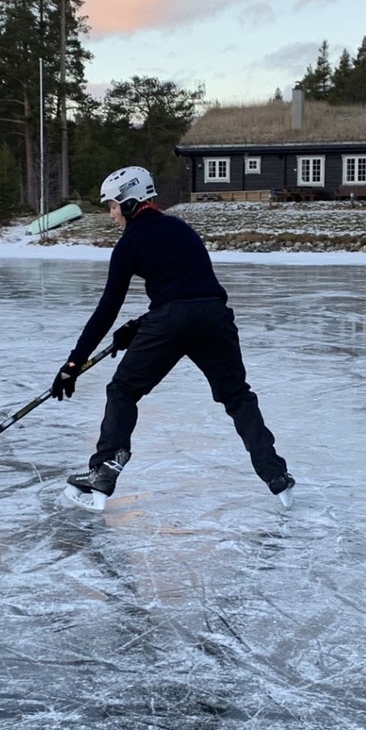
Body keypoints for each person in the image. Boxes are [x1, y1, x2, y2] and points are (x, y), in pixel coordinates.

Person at [50, 166, 293, 510]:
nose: (111, 215)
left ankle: (104, 469)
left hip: (171, 320)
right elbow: (190, 289)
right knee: (237, 396)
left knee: (122, 390)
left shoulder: (129, 242)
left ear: (130, 202)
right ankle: (275, 474)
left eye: (113, 206)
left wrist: (74, 362)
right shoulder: (182, 229)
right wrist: (139, 326)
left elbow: (107, 309)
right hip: (214, 317)